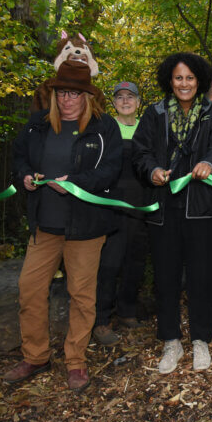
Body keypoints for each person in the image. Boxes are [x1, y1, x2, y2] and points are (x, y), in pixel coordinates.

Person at [4, 60, 122, 391]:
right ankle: (36, 356)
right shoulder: (37, 125)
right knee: (29, 289)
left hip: (86, 227)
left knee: (82, 296)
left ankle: (76, 362)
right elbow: (19, 159)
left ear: (87, 97)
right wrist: (25, 177)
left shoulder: (104, 127)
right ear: (53, 94)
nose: (67, 99)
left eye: (74, 93)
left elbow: (110, 171)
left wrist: (76, 182)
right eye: (61, 93)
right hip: (45, 224)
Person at [132, 52, 212, 374]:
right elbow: (140, 151)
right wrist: (152, 171)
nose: (184, 83)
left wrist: (210, 162)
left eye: (190, 78)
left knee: (203, 275)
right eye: (178, 78)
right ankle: (171, 340)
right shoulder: (154, 113)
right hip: (164, 208)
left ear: (199, 80)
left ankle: (200, 340)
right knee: (166, 276)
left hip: (200, 206)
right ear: (169, 81)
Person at [92, 81, 148, 346]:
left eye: (130, 97)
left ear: (138, 102)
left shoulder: (147, 129)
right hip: (110, 205)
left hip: (140, 205)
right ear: (113, 102)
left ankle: (127, 310)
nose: (125, 101)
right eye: (120, 97)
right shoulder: (104, 127)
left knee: (135, 260)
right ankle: (100, 319)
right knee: (109, 263)